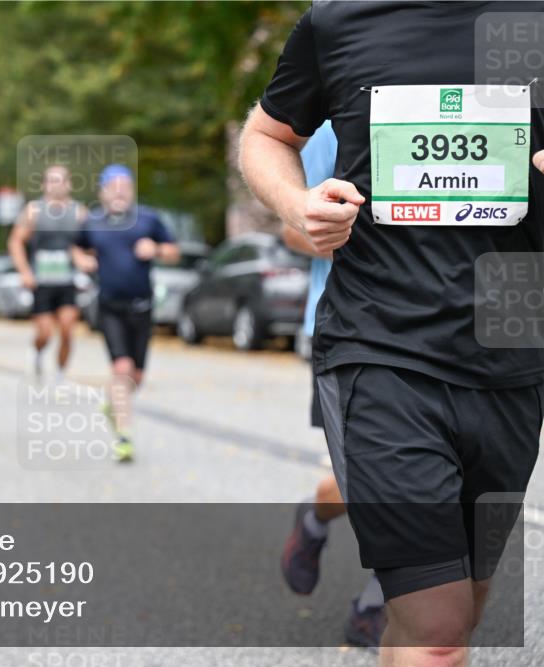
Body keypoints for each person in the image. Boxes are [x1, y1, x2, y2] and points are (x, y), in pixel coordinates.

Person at [239, 3, 544, 661]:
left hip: (512, 364)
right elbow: (266, 136)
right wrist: (299, 206)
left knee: (456, 614)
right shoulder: (341, 23)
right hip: (380, 352)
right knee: (436, 632)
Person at [278, 120, 386, 648]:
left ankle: (377, 604)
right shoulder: (341, 116)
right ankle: (316, 516)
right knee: (375, 480)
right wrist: (351, 245)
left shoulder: (490, 108)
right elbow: (289, 223)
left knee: (438, 484)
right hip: (349, 331)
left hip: (450, 335)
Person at [71, 165, 178, 463]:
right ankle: (124, 436)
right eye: (112, 186)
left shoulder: (148, 219)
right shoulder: (92, 223)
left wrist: (156, 250)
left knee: (136, 377)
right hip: (109, 308)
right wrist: (82, 261)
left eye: (124, 186)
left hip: (142, 308)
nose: (118, 191)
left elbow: (174, 251)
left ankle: (113, 405)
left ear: (131, 191)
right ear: (102, 192)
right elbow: (76, 248)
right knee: (122, 369)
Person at [8, 165, 87, 381]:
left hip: (67, 280)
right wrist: (24, 272)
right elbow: (15, 241)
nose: (55, 185)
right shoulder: (33, 210)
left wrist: (85, 259)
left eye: (60, 180)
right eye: (51, 180)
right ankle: (37, 350)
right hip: (41, 280)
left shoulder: (79, 212)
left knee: (68, 329)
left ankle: (60, 373)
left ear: (69, 184)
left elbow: (88, 244)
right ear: (44, 185)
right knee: (45, 332)